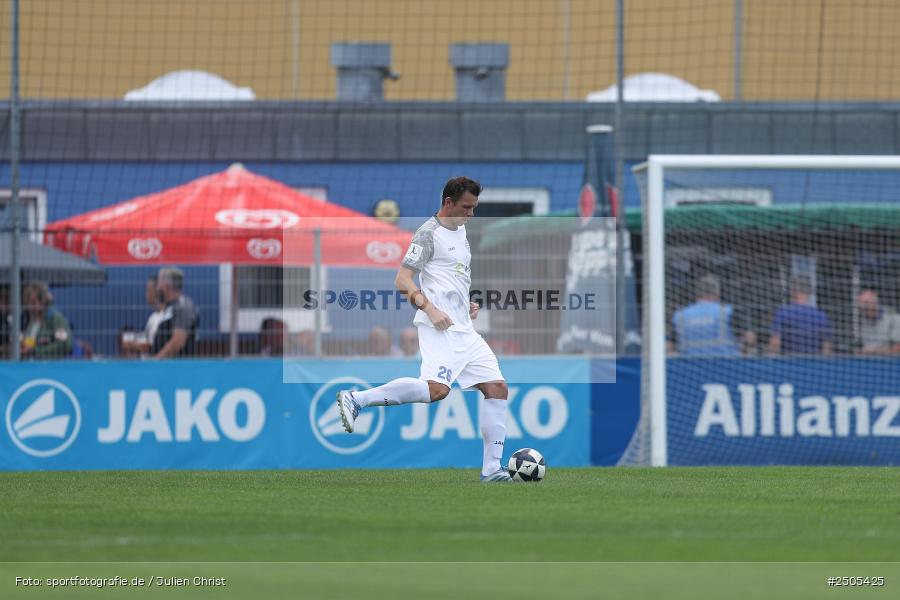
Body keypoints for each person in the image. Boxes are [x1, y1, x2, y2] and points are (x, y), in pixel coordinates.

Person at [336, 176, 513, 482]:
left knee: (496, 388)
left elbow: (449, 276)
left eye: (474, 208)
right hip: (439, 326)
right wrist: (430, 309)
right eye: (467, 208)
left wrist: (464, 303)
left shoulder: (461, 229)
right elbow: (402, 280)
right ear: (449, 203)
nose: (471, 214)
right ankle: (357, 399)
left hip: (464, 328)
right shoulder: (427, 234)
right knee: (437, 390)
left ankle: (492, 469)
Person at [670, 274, 744, 356]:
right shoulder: (728, 312)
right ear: (717, 293)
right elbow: (749, 339)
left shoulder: (679, 315)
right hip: (725, 365)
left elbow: (670, 345)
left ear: (697, 294)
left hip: (689, 365)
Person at [767, 274, 833, 356]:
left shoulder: (783, 312)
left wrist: (767, 359)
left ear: (792, 291)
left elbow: (775, 343)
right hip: (814, 364)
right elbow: (827, 347)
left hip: (788, 363)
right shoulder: (822, 316)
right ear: (810, 291)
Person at [152, 267, 199, 358]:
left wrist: (157, 360)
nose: (157, 289)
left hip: (177, 367)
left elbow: (178, 341)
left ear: (166, 287)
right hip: (167, 366)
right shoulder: (171, 307)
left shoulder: (183, 306)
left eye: (158, 284)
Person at [20, 281, 73, 359]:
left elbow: (64, 345)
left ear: (43, 301)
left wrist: (35, 350)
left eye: (33, 303)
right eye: (28, 303)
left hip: (50, 367)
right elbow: (30, 343)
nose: (30, 307)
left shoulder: (55, 319)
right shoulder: (32, 321)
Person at [121, 276, 166, 356]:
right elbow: (147, 340)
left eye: (148, 290)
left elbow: (153, 347)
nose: (146, 294)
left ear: (157, 292)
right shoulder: (153, 317)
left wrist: (133, 345)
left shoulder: (165, 318)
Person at [856, 289, 900, 355]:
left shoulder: (894, 319)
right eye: (863, 307)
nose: (866, 308)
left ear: (876, 302)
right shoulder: (861, 322)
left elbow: (898, 349)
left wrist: (873, 351)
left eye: (867, 303)